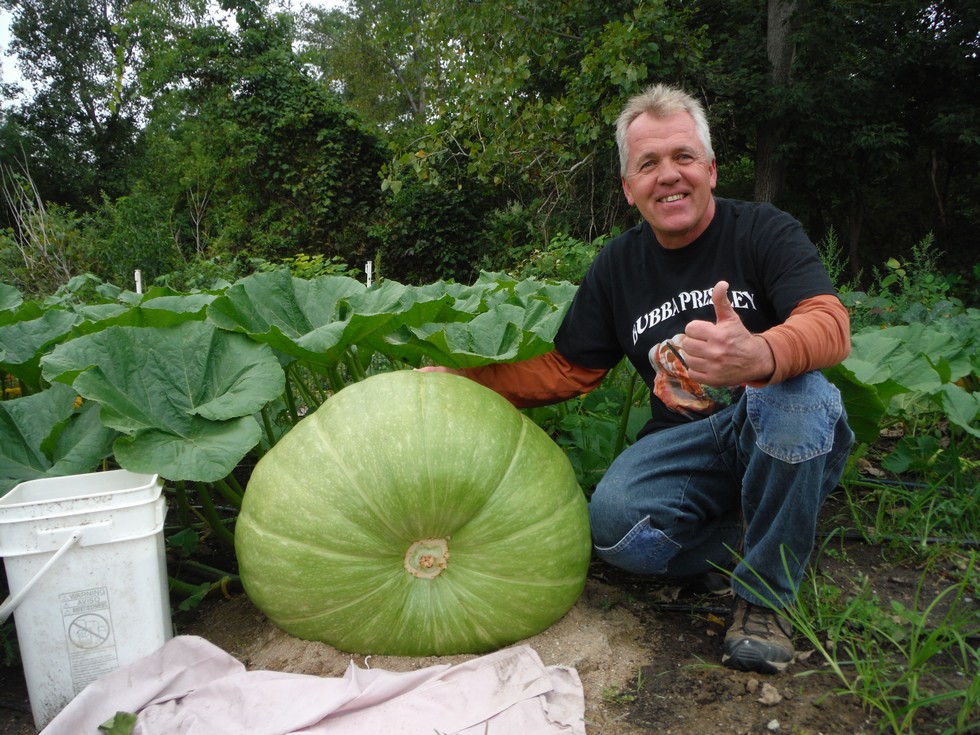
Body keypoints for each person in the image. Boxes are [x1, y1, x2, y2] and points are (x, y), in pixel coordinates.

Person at [423, 83, 854, 675]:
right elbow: (570, 369)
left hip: (772, 424)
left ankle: (764, 599)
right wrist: (466, 382)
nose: (668, 175)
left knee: (800, 396)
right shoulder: (618, 265)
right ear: (629, 188)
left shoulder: (763, 230)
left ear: (710, 169)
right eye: (648, 164)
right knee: (615, 533)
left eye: (683, 156)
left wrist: (761, 354)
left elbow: (830, 323)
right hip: (685, 443)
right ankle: (757, 535)